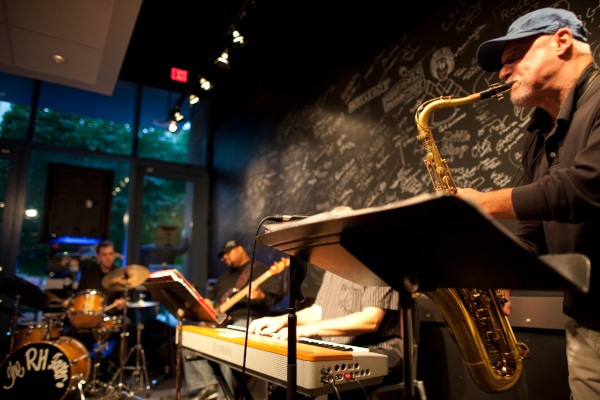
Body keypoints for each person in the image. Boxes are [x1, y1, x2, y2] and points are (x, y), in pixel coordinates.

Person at [458, 7, 600, 399]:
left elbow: (589, 186)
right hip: (584, 320)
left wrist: (481, 204)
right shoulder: (536, 135)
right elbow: (533, 231)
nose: (503, 74)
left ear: (563, 41)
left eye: (515, 57)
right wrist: (501, 273)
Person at [248, 270, 403, 399]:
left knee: (342, 387)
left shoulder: (377, 264)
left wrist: (308, 330)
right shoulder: (333, 268)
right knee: (287, 381)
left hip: (380, 350)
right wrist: (282, 321)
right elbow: (318, 311)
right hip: (339, 347)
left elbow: (370, 321)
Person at [181, 239, 284, 400]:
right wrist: (204, 304)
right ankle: (207, 386)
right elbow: (213, 301)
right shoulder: (223, 278)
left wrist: (261, 296)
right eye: (222, 256)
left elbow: (276, 294)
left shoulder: (259, 270)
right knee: (190, 335)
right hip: (221, 320)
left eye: (227, 253)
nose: (225, 258)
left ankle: (224, 397)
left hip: (246, 319)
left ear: (240, 249)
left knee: (229, 345)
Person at [65, 240, 131, 380]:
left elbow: (126, 297)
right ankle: (80, 371)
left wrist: (121, 303)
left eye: (111, 254)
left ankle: (120, 374)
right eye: (104, 254)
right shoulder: (89, 274)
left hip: (111, 316)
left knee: (127, 325)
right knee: (73, 329)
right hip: (91, 317)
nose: (108, 257)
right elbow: (80, 296)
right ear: (98, 256)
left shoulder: (121, 275)